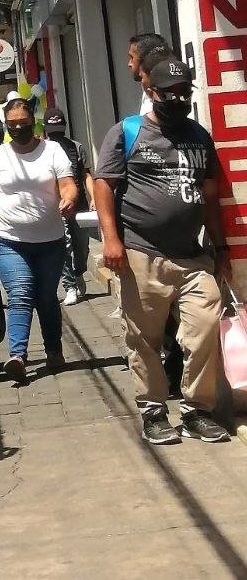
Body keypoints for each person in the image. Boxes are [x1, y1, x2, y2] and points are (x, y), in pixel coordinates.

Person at [94, 58, 231, 445]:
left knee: (204, 330)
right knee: (145, 339)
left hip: (192, 256)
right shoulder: (127, 132)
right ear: (150, 93)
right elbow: (104, 185)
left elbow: (209, 195)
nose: (178, 99)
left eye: (184, 93)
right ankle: (154, 410)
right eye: (169, 94)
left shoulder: (199, 136)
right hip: (141, 255)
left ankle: (196, 411)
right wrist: (111, 239)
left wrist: (219, 246)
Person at [0, 98, 78, 383]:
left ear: (34, 122)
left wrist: (68, 199)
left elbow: (68, 185)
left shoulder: (53, 151)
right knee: (20, 293)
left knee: (46, 298)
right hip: (9, 240)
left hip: (50, 241)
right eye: (12, 125)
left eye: (24, 124)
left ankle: (54, 350)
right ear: (6, 127)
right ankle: (17, 356)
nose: (18, 129)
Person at [42, 107, 94, 305]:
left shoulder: (77, 147)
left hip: (79, 205)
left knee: (82, 246)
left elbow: (86, 174)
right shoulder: (43, 150)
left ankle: (79, 272)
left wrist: (94, 197)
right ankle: (69, 285)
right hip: (56, 207)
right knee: (65, 247)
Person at [127, 33, 169, 116]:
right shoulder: (146, 87)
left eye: (132, 58)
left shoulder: (167, 94)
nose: (129, 64)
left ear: (145, 60)